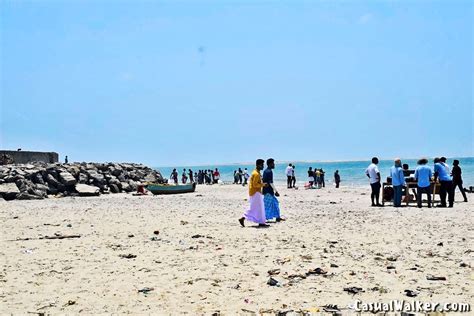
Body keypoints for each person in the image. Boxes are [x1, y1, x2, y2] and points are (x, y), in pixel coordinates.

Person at [239, 159, 268, 227]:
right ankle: (243, 218)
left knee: (258, 207)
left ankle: (261, 222)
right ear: (258, 165)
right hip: (255, 192)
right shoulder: (256, 174)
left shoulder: (256, 172)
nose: (263, 166)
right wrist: (263, 185)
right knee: (255, 207)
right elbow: (255, 185)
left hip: (255, 192)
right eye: (262, 165)